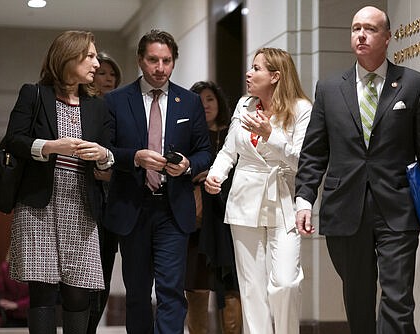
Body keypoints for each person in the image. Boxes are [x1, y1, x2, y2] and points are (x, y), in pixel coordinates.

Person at [294, 6, 420, 334]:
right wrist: (304, 199)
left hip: (397, 205)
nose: (361, 35)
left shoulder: (414, 85)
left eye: (370, 29)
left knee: (398, 299)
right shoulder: (328, 89)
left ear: (387, 37)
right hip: (345, 206)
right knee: (357, 298)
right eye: (356, 28)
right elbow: (314, 152)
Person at [103, 29, 212, 334]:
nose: (160, 68)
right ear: (141, 60)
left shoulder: (189, 102)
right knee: (137, 293)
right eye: (153, 60)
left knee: (171, 291)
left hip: (172, 207)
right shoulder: (116, 100)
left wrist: (189, 165)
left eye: (166, 60)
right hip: (131, 207)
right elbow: (104, 149)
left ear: (174, 62)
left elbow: (205, 151)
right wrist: (134, 158)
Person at [5, 30, 114, 333]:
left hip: (82, 204)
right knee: (42, 293)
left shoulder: (97, 105)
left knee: (78, 293)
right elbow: (13, 140)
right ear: (69, 56)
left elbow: (110, 156)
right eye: (90, 56)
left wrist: (103, 154)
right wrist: (51, 146)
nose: (96, 63)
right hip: (38, 204)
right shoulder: (34, 93)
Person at [205, 47, 311, 334]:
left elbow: (303, 161)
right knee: (252, 288)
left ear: (275, 76)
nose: (248, 73)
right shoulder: (244, 105)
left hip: (283, 197)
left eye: (256, 68)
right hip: (244, 199)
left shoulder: (301, 109)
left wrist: (271, 136)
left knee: (286, 283)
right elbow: (229, 150)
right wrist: (215, 175)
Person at [186, 81, 242, 334]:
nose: (204, 104)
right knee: (196, 283)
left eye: (209, 98)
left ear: (218, 101)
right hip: (197, 219)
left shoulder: (234, 132)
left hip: (228, 217)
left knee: (231, 283)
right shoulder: (187, 134)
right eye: (198, 99)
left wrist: (216, 174)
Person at [86, 51, 122, 334]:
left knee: (103, 274)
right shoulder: (81, 108)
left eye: (112, 74)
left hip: (111, 205)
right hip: (81, 201)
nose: (108, 78)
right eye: (102, 73)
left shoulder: (121, 110)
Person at [0, 250, 29, 327]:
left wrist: (17, 305)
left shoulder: (33, 270)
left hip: (30, 314)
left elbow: (37, 296)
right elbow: (2, 290)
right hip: (11, 315)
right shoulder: (5, 267)